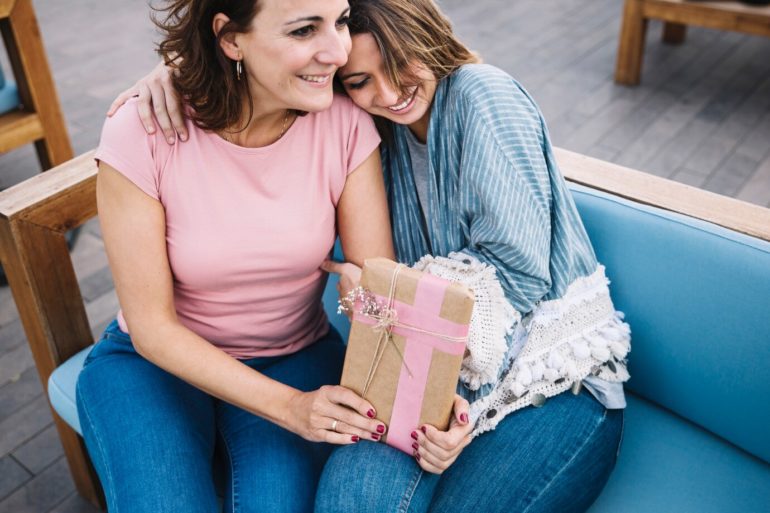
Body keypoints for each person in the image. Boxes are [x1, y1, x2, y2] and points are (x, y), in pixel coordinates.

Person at [114, 0, 632, 511]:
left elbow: (517, 276)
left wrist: (395, 305)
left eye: (396, 61)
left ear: (425, 32)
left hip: (547, 374)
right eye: (359, 80)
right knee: (350, 500)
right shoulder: (371, 123)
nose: (387, 92)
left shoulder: (479, 96)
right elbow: (269, 63)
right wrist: (180, 66)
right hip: (434, 365)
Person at [76, 1, 396, 512]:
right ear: (229, 38)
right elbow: (152, 328)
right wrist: (291, 409)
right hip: (153, 365)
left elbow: (384, 290)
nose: (337, 51)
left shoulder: (345, 121)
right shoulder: (143, 129)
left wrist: (373, 308)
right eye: (303, 30)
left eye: (340, 20)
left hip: (294, 356)